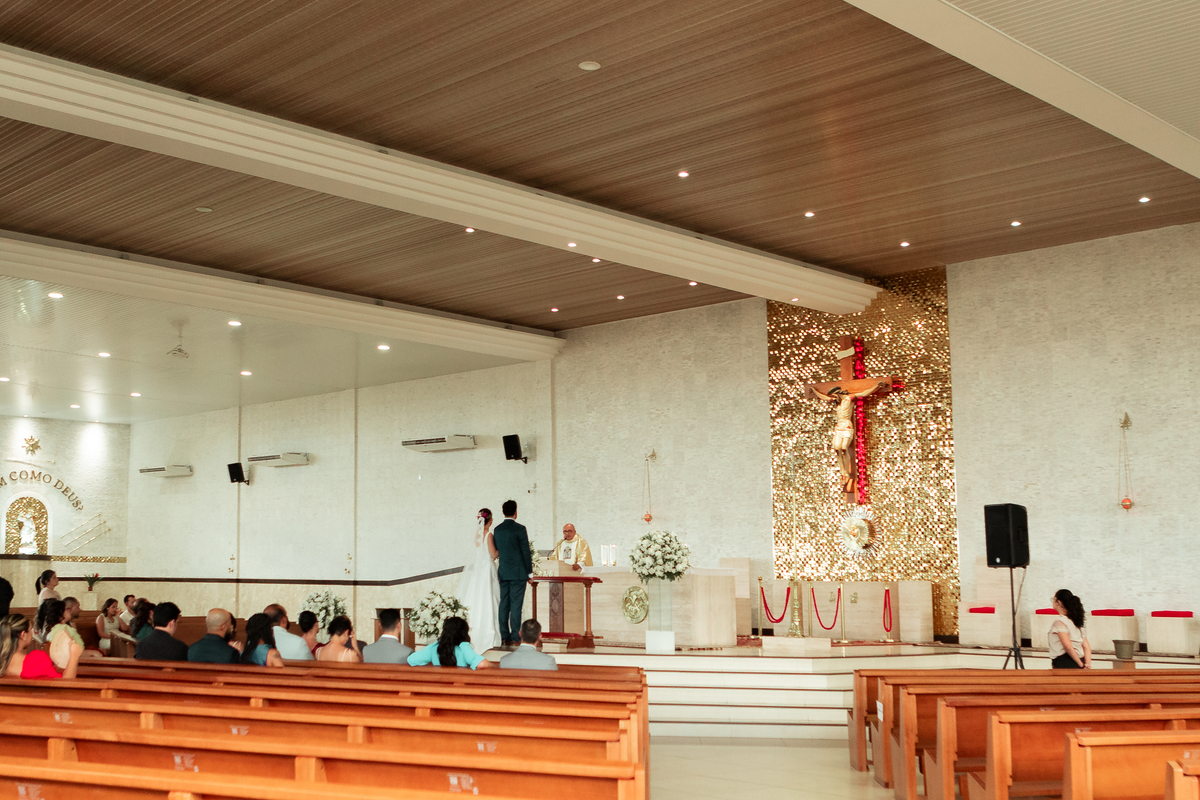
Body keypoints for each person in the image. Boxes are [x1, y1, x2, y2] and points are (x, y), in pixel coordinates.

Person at [455, 507, 500, 651]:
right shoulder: (489, 535)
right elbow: (493, 555)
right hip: (487, 568)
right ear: (490, 520)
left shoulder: (477, 535)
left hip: (478, 569)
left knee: (476, 597)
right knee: (488, 597)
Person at [493, 499, 532, 646]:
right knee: (516, 605)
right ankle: (515, 634)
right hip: (518, 573)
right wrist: (530, 573)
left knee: (504, 604)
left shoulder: (497, 530)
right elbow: (525, 552)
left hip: (503, 572)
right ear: (515, 512)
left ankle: (504, 634)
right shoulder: (520, 529)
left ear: (503, 512)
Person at [1, 613, 81, 679]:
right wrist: (74, 656)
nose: (32, 634)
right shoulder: (36, 660)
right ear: (23, 635)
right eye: (30, 630)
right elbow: (64, 686)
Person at [407, 616, 493, 669]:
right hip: (460, 689)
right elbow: (481, 664)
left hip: (439, 688)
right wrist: (493, 665)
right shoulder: (463, 647)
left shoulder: (434, 648)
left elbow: (411, 660)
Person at [1049, 589, 1091, 669]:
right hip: (1081, 659)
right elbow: (1086, 646)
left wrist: (1080, 665)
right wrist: (1087, 664)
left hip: (1065, 662)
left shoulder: (1060, 622)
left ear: (1059, 602)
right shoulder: (1076, 621)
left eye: (1053, 600)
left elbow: (1067, 646)